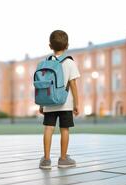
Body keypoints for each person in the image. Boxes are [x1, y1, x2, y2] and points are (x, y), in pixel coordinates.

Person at [39, 30, 80, 169]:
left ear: (50, 46)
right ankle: (63, 159)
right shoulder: (69, 62)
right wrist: (77, 103)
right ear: (67, 45)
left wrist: (42, 104)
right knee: (65, 130)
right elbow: (73, 85)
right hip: (65, 104)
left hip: (49, 102)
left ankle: (46, 160)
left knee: (48, 129)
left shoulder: (46, 63)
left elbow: (43, 85)